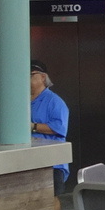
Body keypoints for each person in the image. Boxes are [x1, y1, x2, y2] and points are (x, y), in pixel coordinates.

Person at [29, 61, 70, 198]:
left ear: (42, 77)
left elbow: (60, 128)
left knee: (51, 198)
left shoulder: (54, 101)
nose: (26, 78)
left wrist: (33, 126)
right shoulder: (22, 100)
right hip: (30, 160)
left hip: (52, 162)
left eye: (30, 75)